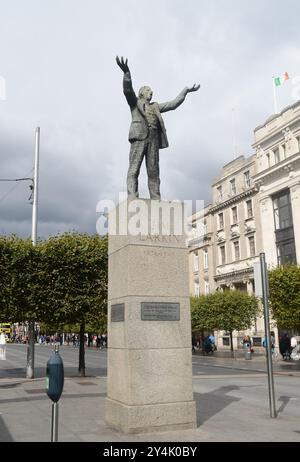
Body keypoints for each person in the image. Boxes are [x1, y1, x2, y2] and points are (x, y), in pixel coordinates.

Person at [116, 56, 200, 200]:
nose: (151, 92)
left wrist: (185, 91)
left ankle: (156, 197)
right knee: (134, 168)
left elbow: (173, 104)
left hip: (153, 140)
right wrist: (127, 73)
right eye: (148, 90)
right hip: (139, 137)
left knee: (154, 171)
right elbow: (127, 90)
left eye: (151, 90)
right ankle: (132, 196)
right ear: (142, 93)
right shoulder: (134, 102)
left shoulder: (156, 106)